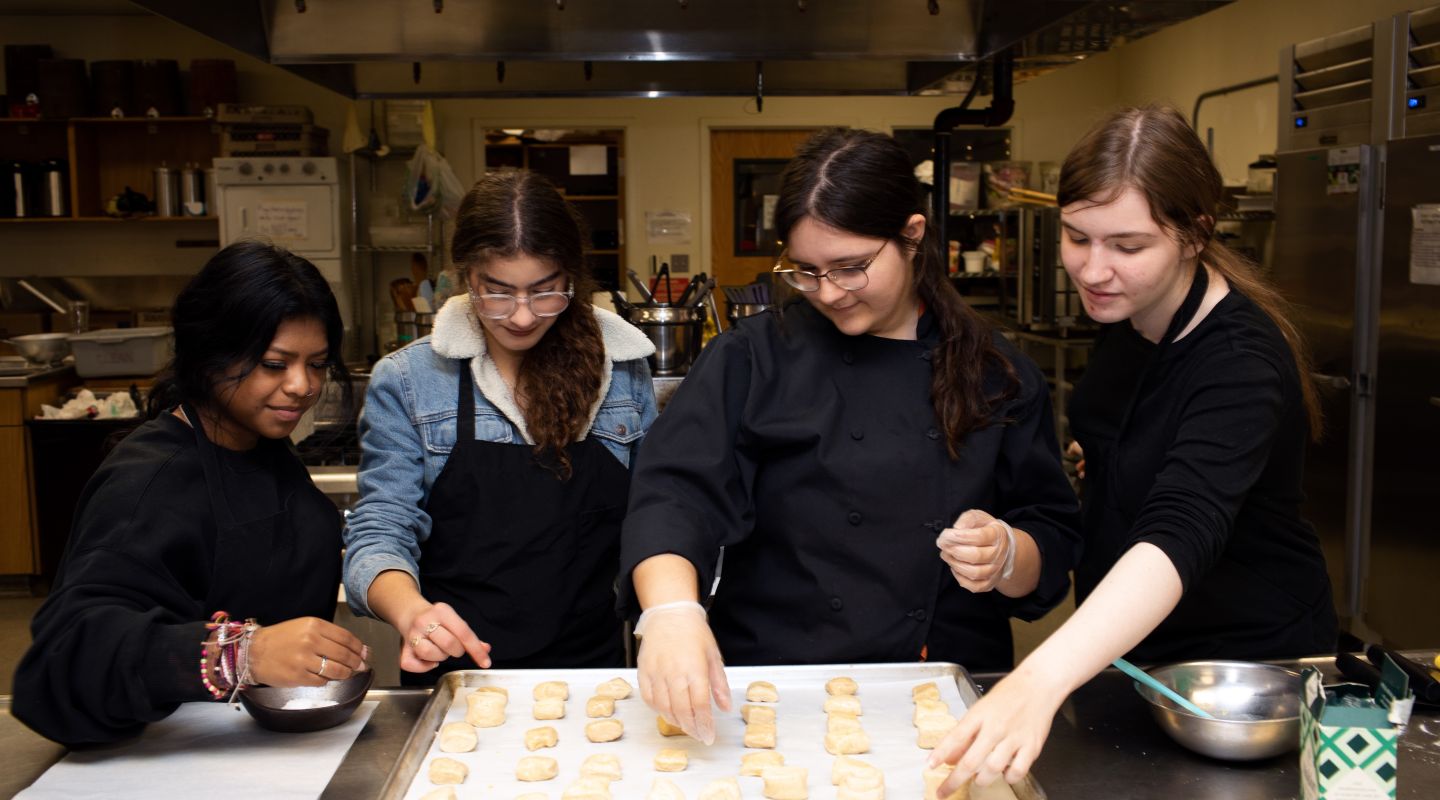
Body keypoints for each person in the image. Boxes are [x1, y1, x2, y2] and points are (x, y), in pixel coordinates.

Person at [620, 128, 1083, 743]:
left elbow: (1050, 538)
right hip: (772, 691)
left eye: (851, 268)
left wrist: (1006, 555)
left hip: (941, 700)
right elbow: (674, 494)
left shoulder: (995, 373)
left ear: (912, 236)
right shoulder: (750, 359)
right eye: (805, 272)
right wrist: (672, 612)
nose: (829, 293)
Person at [931, 105, 1338, 793]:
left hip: (1238, 675)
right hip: (1133, 658)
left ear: (1194, 233)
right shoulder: (1129, 321)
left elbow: (1180, 530)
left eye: (1127, 245)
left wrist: (1040, 677)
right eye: (1076, 237)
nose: (1093, 270)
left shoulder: (1239, 358)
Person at [13, 241, 368, 747]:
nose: (301, 386)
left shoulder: (260, 446)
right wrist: (241, 654)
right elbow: (63, 660)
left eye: (316, 363)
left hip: (266, 747)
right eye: (274, 363)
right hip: (173, 758)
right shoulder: (150, 481)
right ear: (210, 355)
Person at [342, 169, 658, 682]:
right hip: (454, 672)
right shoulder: (411, 380)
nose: (522, 317)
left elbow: (656, 514)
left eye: (545, 291)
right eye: (498, 292)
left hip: (592, 674)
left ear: (571, 278)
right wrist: (412, 613)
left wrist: (672, 617)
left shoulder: (621, 371)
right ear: (466, 276)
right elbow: (382, 525)